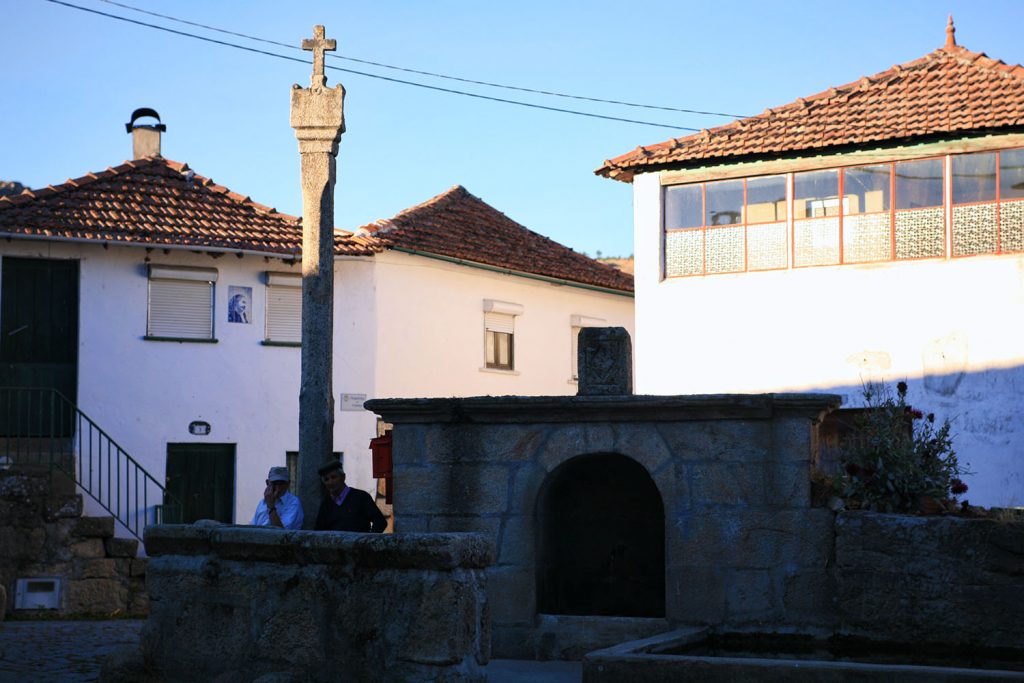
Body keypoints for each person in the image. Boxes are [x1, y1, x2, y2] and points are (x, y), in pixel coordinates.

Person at [314, 459, 386, 533]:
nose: (330, 482)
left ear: (343, 477)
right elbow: (319, 531)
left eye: (334, 477)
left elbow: (380, 522)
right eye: (326, 479)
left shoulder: (361, 497)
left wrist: (368, 541)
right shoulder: (326, 504)